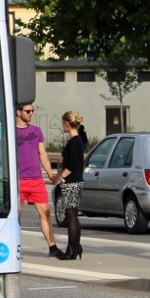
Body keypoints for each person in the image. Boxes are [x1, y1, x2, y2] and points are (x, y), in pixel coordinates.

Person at [15, 104, 64, 258]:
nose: (31, 114)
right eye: (28, 111)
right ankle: (15, 247)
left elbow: (42, 154)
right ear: (18, 112)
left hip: (36, 179)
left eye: (32, 111)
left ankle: (52, 247)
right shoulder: (10, 131)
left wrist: (50, 174)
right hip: (19, 180)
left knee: (46, 213)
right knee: (15, 215)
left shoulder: (36, 131)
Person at [55, 111, 88, 260]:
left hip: (72, 181)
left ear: (67, 124)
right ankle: (74, 246)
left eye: (63, 123)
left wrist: (61, 176)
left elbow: (73, 164)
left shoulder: (74, 141)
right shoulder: (78, 140)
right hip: (75, 180)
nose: (62, 126)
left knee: (71, 215)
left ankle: (73, 247)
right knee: (72, 214)